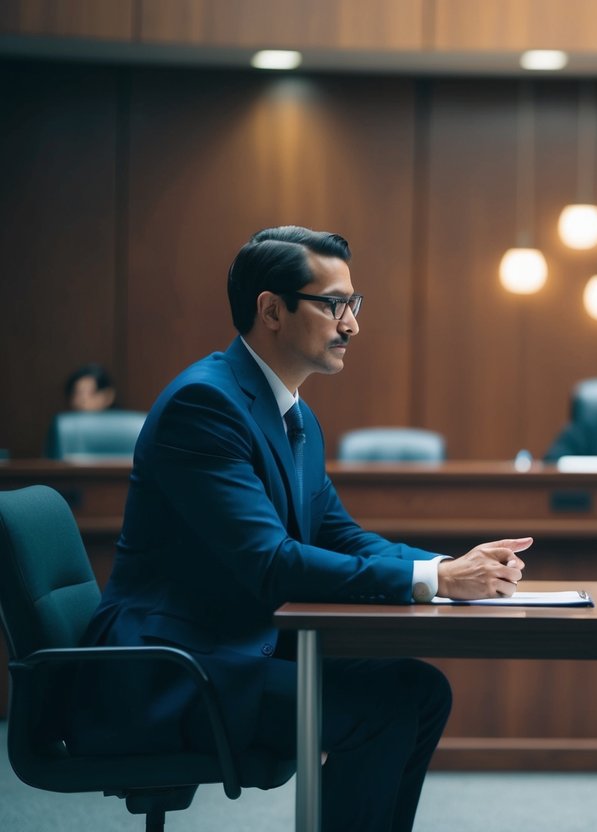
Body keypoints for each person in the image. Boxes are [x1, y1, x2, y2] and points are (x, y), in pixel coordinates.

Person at [74, 226, 531, 831]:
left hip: (233, 644)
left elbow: (340, 535)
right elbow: (270, 563)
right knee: (384, 709)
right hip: (169, 666)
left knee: (419, 694)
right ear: (272, 310)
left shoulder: (295, 414)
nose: (352, 325)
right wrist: (436, 578)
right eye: (334, 304)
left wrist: (452, 569)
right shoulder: (204, 406)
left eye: (354, 304)